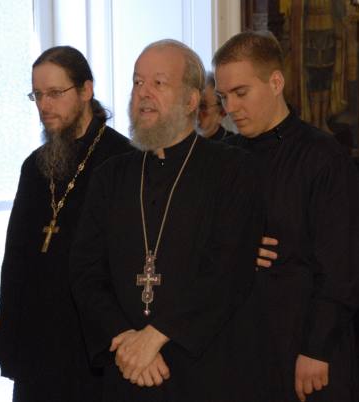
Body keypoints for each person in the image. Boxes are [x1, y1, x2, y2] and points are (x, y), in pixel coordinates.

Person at [69, 39, 268, 402]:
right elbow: (85, 271)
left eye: (158, 83)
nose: (143, 93)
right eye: (137, 82)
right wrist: (125, 340)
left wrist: (156, 336)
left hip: (204, 371)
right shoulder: (110, 176)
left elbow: (228, 270)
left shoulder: (233, 170)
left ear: (191, 100)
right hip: (127, 370)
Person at [213, 31, 359, 402]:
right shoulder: (223, 159)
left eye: (240, 93)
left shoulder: (322, 156)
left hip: (307, 346)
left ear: (275, 82)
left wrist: (316, 348)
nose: (230, 107)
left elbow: (346, 263)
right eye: (222, 97)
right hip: (241, 345)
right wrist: (239, 248)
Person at [0, 46, 132, 401]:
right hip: (38, 344)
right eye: (37, 95)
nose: (44, 105)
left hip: (93, 344)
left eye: (55, 93)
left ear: (86, 90)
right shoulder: (34, 166)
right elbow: (16, 260)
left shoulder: (125, 161)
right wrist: (11, 347)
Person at [196, 72, 234, 141]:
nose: (196, 112)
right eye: (194, 104)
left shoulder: (233, 145)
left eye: (203, 106)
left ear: (222, 112)